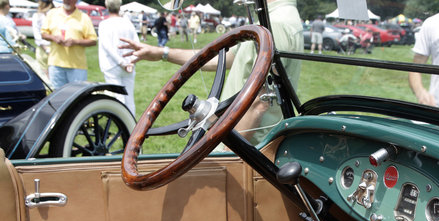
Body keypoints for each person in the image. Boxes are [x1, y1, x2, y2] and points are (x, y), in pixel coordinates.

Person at [120, 0, 303, 145]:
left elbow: (260, 102)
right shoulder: (273, 19)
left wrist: (227, 151)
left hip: (249, 146)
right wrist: (162, 53)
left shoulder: (276, 24)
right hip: (239, 137)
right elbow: (224, 59)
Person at [41, 0, 97, 89]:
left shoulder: (83, 17)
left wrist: (75, 42)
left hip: (77, 66)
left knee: (76, 95)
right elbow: (43, 34)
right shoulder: (52, 13)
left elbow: (93, 40)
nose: (67, 1)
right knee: (57, 95)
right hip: (56, 64)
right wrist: (54, 38)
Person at [98, 0, 138, 116]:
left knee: (118, 98)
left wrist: (122, 63)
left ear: (106, 6)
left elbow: (107, 47)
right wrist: (130, 62)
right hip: (128, 64)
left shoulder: (104, 24)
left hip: (112, 65)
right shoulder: (127, 23)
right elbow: (137, 43)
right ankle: (131, 128)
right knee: (129, 98)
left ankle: (124, 128)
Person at [32, 0, 54, 75]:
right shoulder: (54, 14)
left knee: (43, 73)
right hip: (52, 46)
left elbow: (37, 34)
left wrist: (45, 48)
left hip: (44, 47)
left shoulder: (38, 16)